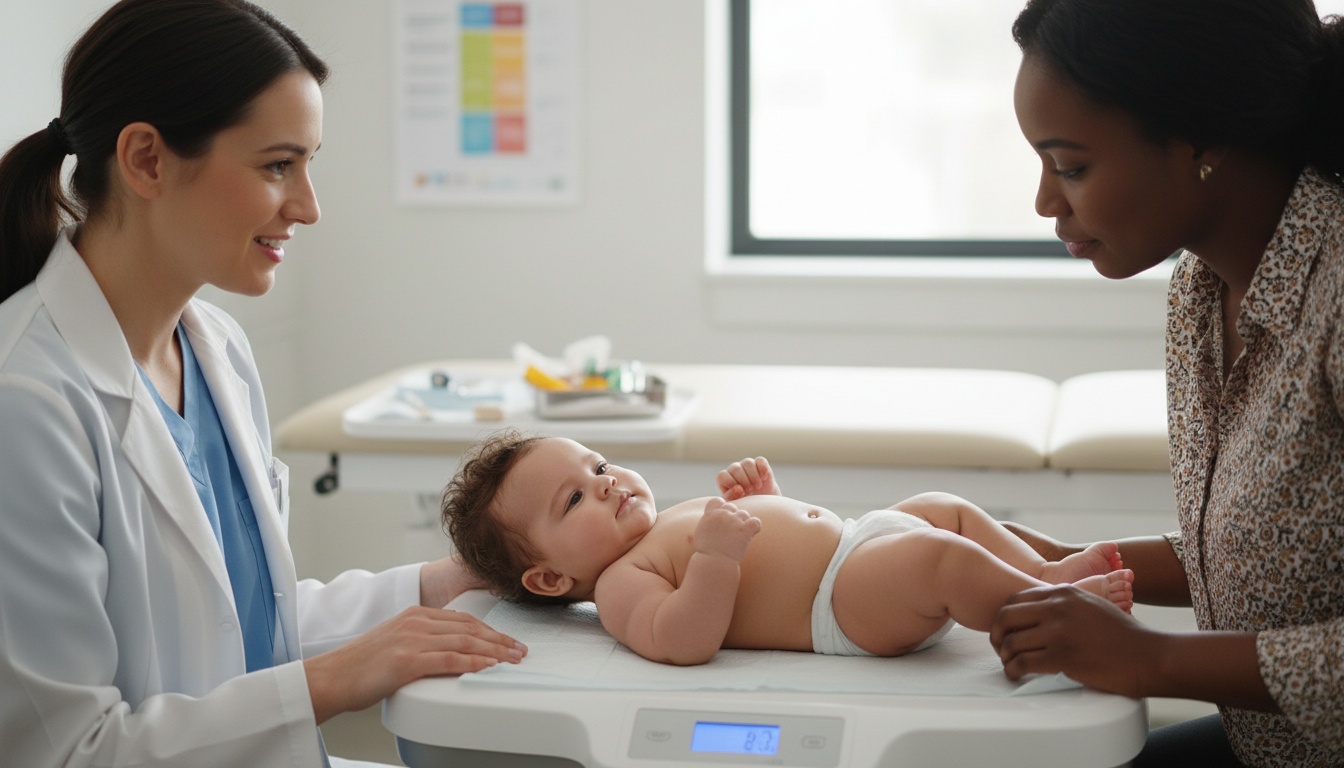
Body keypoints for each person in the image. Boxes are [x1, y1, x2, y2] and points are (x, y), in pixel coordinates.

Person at [0, 2, 525, 766]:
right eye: (278, 166)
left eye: (309, 164)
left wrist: (446, 583)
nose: (308, 208)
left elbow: (237, 626)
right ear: (146, 159)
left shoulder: (216, 349)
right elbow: (68, 752)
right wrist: (332, 681)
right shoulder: (27, 402)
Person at [994, 0, 1344, 765]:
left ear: (1200, 140)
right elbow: (1283, 553)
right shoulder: (1199, 291)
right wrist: (1065, 559)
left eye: (1072, 166)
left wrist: (1151, 658)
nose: (1046, 202)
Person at [441, 431, 1134, 666]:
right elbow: (683, 639)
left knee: (939, 510)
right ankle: (1049, 607)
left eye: (597, 467)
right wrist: (715, 558)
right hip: (839, 605)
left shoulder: (656, 527)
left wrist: (769, 499)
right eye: (573, 501)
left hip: (856, 543)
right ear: (551, 579)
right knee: (938, 560)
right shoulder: (622, 585)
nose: (606, 485)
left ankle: (1040, 567)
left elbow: (780, 544)